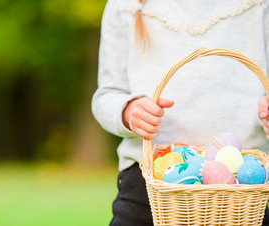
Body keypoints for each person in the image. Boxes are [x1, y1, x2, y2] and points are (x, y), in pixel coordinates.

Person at [91, 0, 269, 225]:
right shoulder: (124, 5)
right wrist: (129, 111)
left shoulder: (259, 4)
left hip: (243, 187)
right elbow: (106, 95)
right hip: (149, 183)